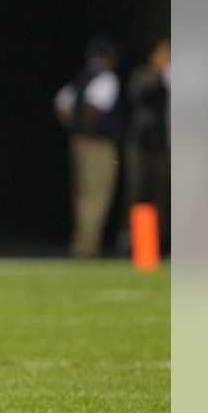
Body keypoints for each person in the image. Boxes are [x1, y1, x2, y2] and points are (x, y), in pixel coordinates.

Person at [54, 35, 124, 258]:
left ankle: (82, 244)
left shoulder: (81, 78)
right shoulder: (106, 79)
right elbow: (92, 108)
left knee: (84, 195)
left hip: (79, 143)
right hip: (97, 144)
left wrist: (74, 128)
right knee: (97, 195)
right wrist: (88, 131)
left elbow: (62, 104)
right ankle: (87, 247)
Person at [124, 38, 171, 252]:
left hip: (165, 145)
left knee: (162, 196)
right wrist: (158, 76)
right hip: (140, 144)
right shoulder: (143, 74)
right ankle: (134, 244)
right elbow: (138, 95)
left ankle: (159, 244)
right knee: (138, 195)